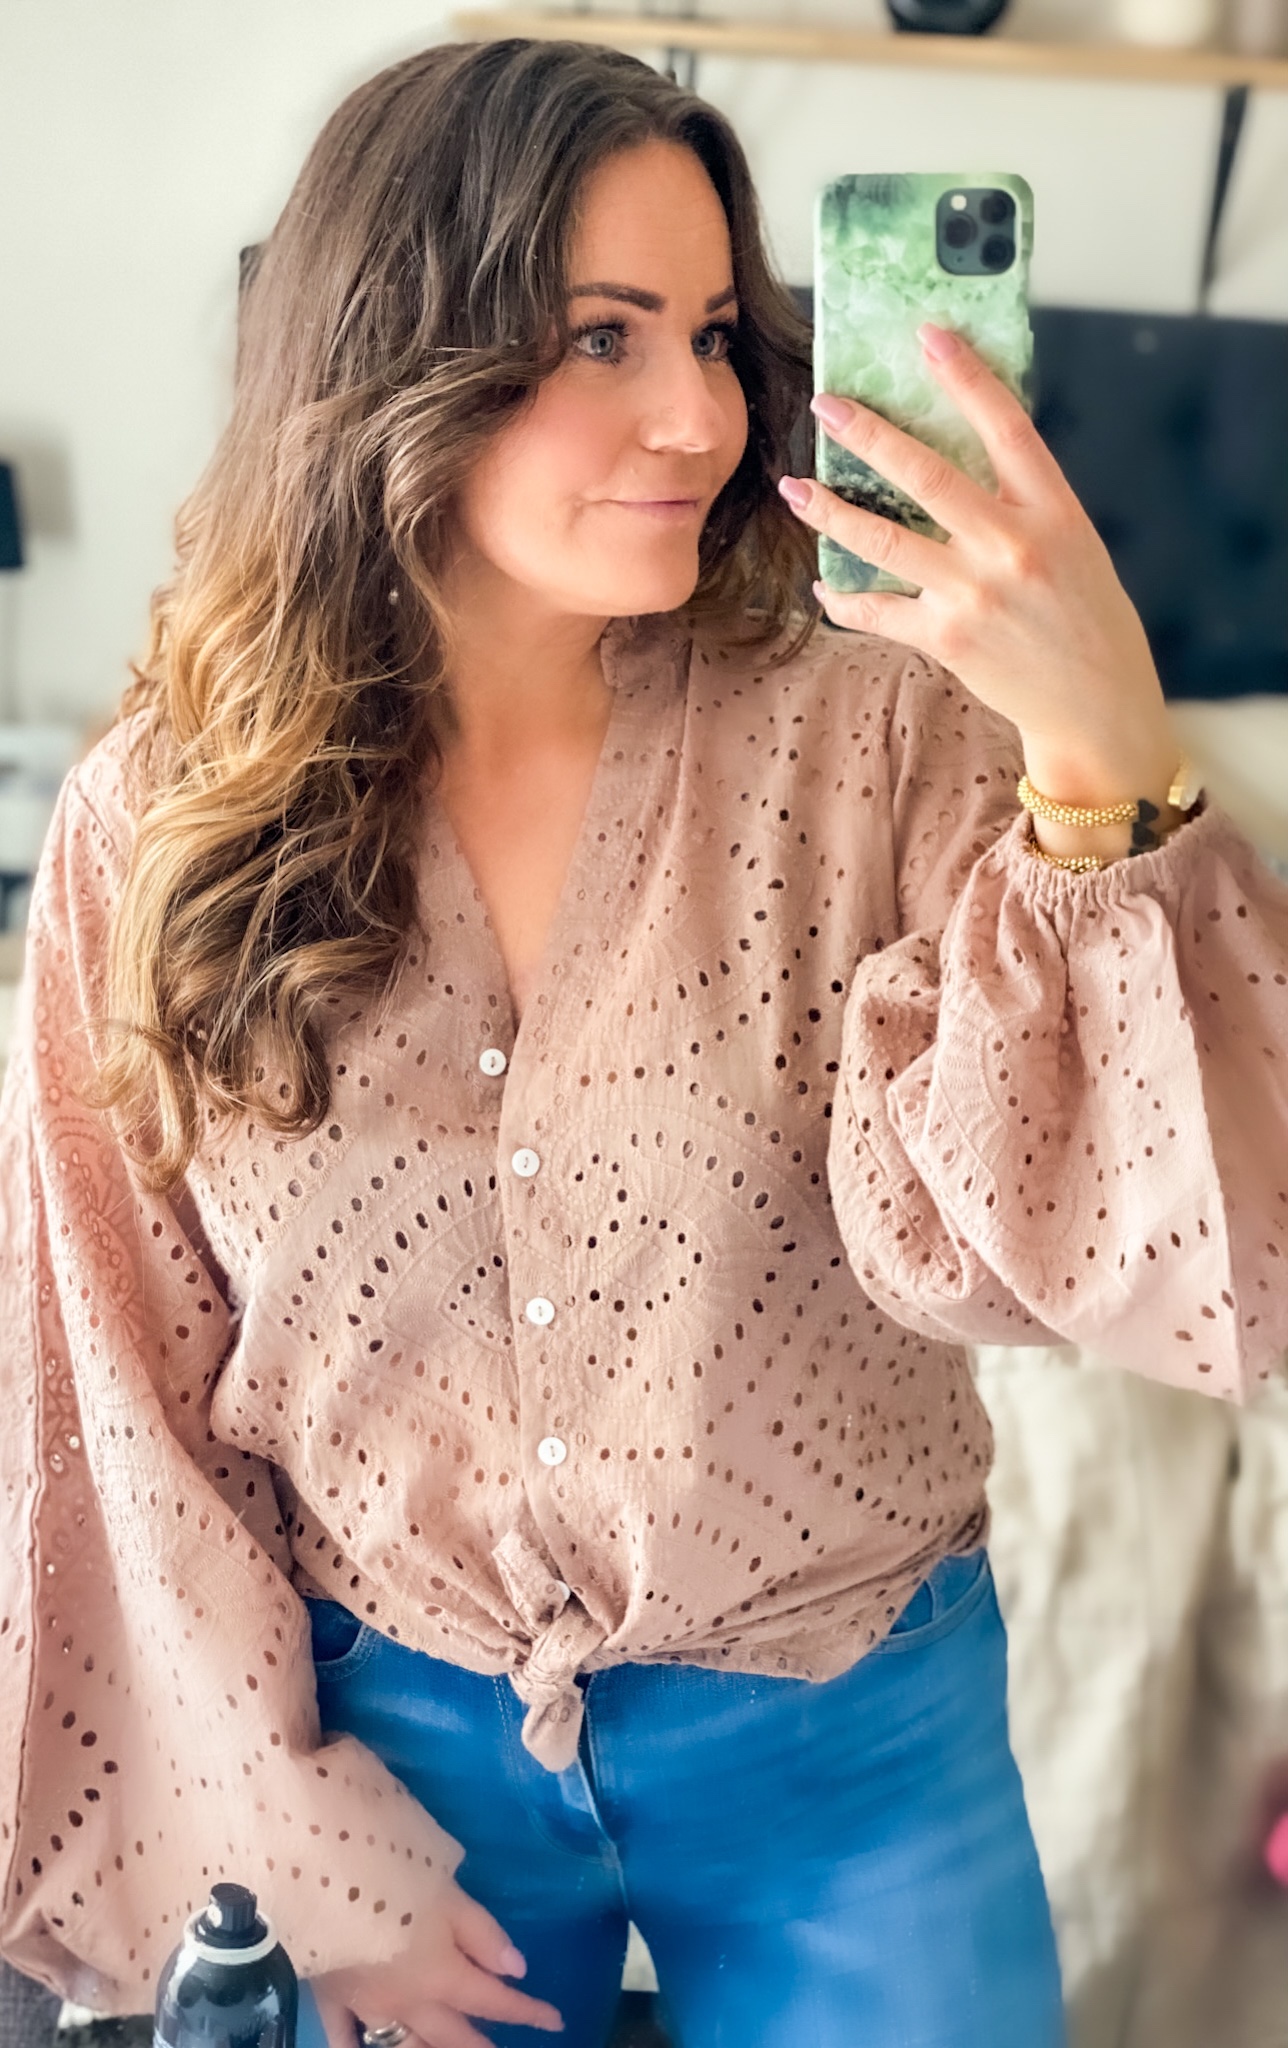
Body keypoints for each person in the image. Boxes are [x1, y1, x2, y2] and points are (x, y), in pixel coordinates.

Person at [1, 35, 1285, 2048]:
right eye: (601, 337)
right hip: (387, 1744)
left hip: (853, 1731)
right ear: (398, 349)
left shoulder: (880, 730)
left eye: (709, 334)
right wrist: (276, 1830)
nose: (698, 415)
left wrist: (1100, 750)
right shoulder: (158, 817)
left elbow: (1169, 1248)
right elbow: (109, 1382)